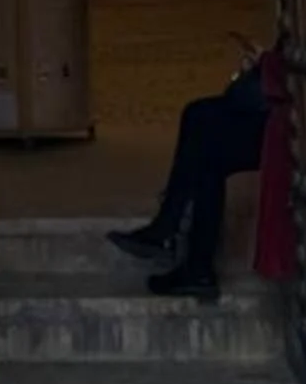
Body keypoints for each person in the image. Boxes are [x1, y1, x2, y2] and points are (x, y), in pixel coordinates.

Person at [106, 38, 289, 301]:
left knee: (202, 127)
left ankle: (173, 238)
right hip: (282, 117)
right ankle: (187, 257)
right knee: (202, 133)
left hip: (287, 127)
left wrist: (264, 64)